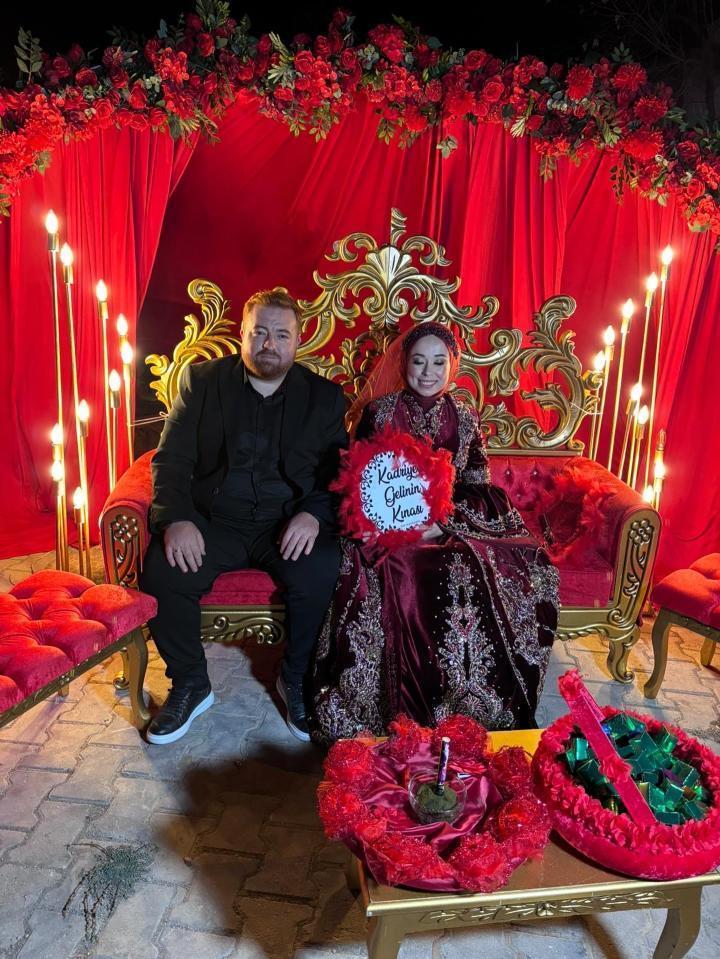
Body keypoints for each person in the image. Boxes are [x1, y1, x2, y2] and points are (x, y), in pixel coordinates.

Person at [310, 321, 559, 742]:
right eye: (419, 361)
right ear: (403, 363)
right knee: (398, 566)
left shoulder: (464, 416)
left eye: (438, 362)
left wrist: (441, 520)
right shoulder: (380, 412)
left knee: (482, 564)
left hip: (447, 525)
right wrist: (388, 524)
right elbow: (360, 478)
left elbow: (478, 483)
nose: (428, 372)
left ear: (452, 366)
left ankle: (463, 699)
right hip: (389, 529)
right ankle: (394, 704)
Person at [140, 287, 347, 744]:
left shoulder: (325, 397)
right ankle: (191, 684)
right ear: (242, 335)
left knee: (324, 567)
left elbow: (338, 473)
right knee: (162, 569)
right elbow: (171, 460)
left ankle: (294, 677)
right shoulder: (201, 383)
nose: (269, 343)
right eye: (260, 333)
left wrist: (314, 515)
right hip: (215, 521)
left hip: (286, 523)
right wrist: (177, 518)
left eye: (281, 335)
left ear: (298, 340)